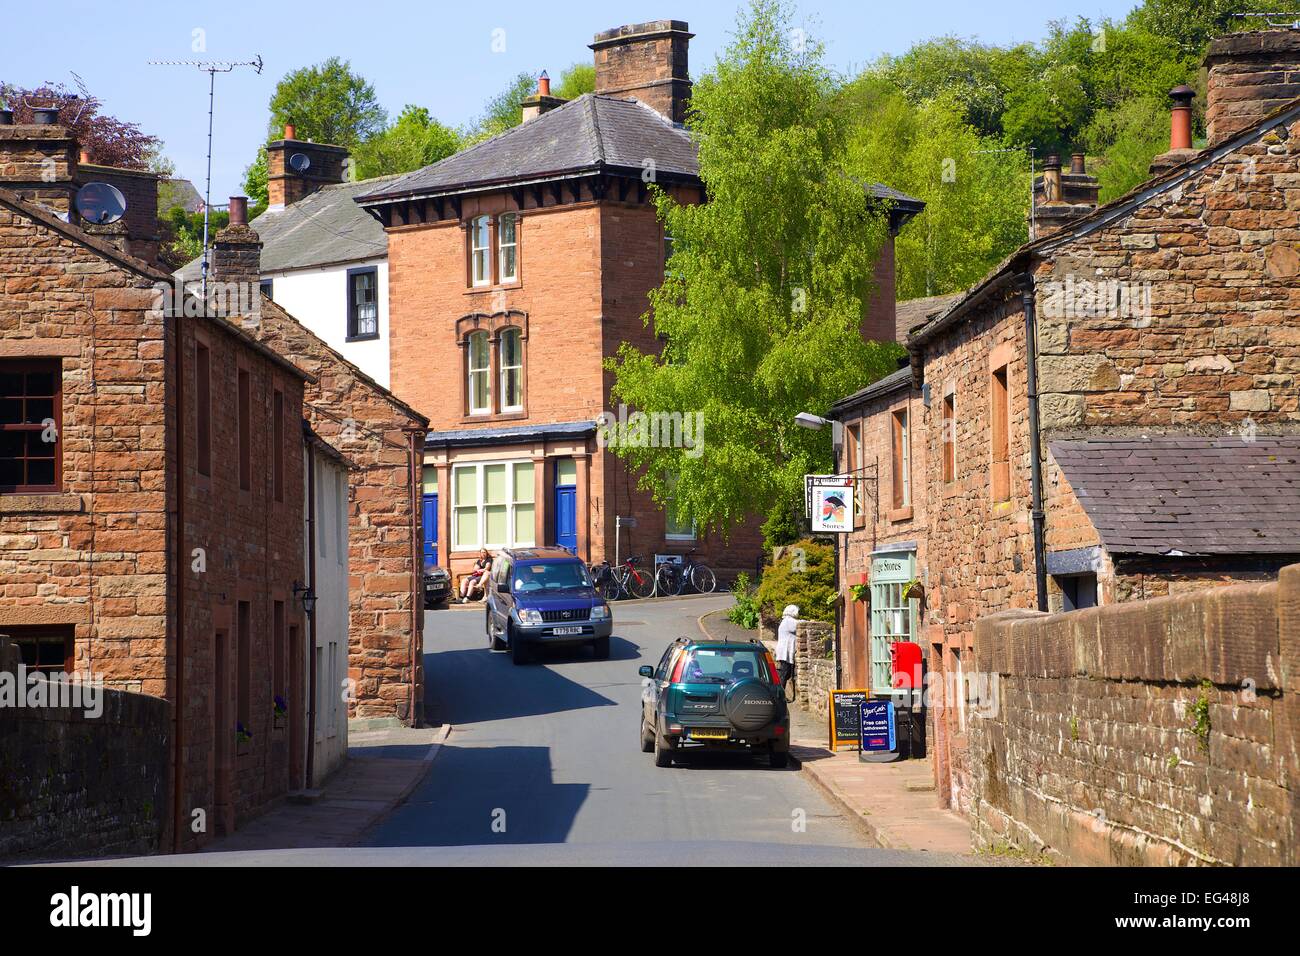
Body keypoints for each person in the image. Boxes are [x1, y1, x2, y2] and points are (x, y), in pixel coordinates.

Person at [775, 604, 799, 692]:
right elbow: (801, 624)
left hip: (784, 651)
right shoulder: (789, 621)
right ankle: (779, 694)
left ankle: (780, 693)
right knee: (784, 674)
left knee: (786, 674)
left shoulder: (785, 620)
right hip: (785, 652)